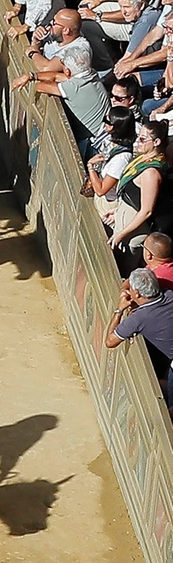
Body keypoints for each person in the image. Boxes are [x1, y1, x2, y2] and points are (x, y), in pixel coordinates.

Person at [13, 9, 111, 141]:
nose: (50, 24)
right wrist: (36, 40)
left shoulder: (78, 50)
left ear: (66, 30)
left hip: (90, 139)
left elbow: (44, 76)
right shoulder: (88, 74)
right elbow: (57, 76)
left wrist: (32, 54)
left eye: (54, 23)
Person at [106, 268, 173, 401]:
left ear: (136, 293)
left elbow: (110, 341)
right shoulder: (169, 294)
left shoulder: (138, 319)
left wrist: (119, 309)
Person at [109, 120, 172, 260]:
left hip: (132, 232)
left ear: (156, 142)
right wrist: (117, 211)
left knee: (126, 266)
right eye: (139, 137)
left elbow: (146, 211)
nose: (138, 141)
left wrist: (121, 234)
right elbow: (134, 194)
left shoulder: (151, 172)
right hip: (124, 218)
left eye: (143, 139)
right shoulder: (143, 159)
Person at [87, 107, 138, 216]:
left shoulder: (121, 158)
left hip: (107, 204)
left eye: (107, 121)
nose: (104, 122)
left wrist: (90, 166)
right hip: (103, 199)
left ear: (116, 128)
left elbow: (101, 190)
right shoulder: (113, 142)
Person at [81, 0, 154, 63]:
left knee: (86, 27)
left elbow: (128, 58)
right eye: (121, 7)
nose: (123, 12)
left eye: (127, 7)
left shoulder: (144, 23)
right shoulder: (145, 14)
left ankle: (105, 65)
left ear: (141, 5)